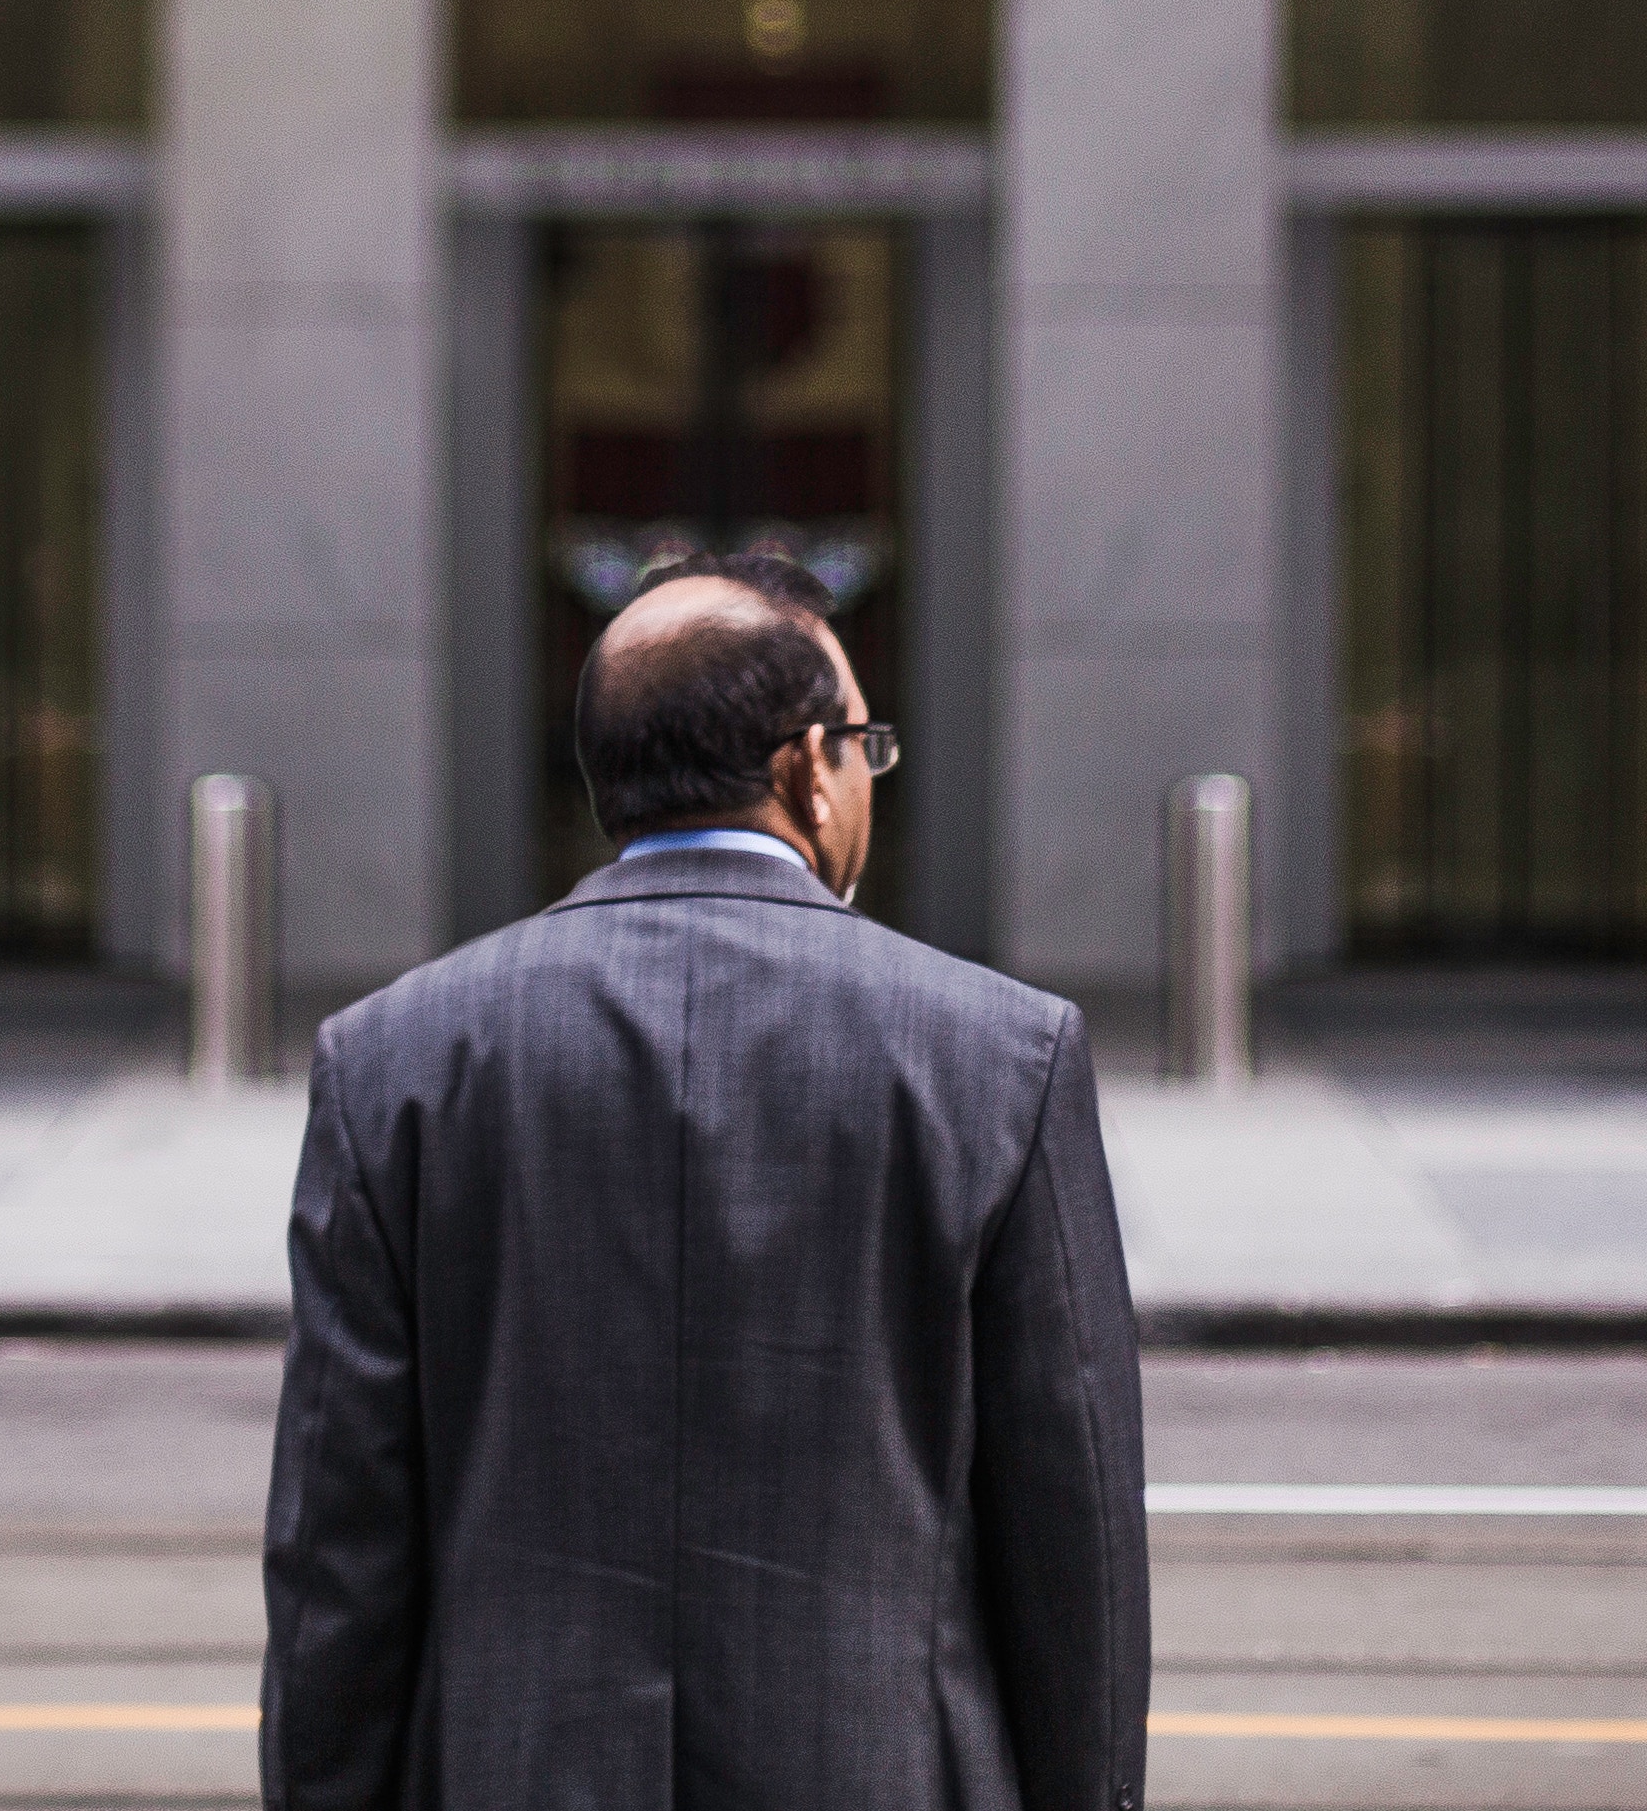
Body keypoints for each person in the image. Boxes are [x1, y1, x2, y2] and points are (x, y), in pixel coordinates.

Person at [259, 550, 1147, 1811]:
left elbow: (336, 1555)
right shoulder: (999, 1055)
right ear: (803, 768)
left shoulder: (394, 1059)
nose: (866, 779)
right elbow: (1075, 1549)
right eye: (864, 746)